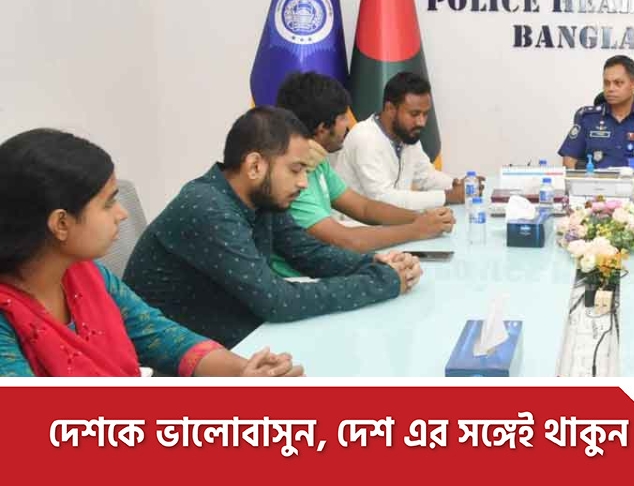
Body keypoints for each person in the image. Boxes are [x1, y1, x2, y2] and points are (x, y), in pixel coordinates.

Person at [0, 129, 301, 377]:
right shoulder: (6, 316)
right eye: (108, 203)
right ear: (61, 224)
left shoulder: (87, 274)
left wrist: (245, 372)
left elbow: (162, 337)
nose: (122, 214)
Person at [125, 107, 422, 347]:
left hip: (237, 333)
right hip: (183, 358)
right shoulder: (207, 207)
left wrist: (375, 264)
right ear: (255, 166)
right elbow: (277, 301)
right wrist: (381, 282)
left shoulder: (261, 199)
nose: (303, 183)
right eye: (295, 170)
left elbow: (309, 253)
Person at [271, 73, 454, 277]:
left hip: (328, 268)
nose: (348, 126)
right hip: (302, 282)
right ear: (322, 128)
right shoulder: (288, 181)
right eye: (343, 118)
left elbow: (365, 208)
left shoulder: (318, 162)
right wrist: (417, 229)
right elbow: (346, 240)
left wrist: (420, 219)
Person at [336, 72, 476, 210]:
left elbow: (426, 176)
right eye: (414, 114)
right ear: (390, 109)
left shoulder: (407, 134)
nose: (421, 122)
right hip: (354, 223)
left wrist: (460, 185)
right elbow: (383, 200)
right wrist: (449, 196)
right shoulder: (364, 138)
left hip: (394, 221)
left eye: (425, 114)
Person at [557, 55, 634, 170]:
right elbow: (569, 160)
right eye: (606, 83)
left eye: (618, 83)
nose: (610, 88)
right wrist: (587, 180)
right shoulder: (587, 118)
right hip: (596, 184)